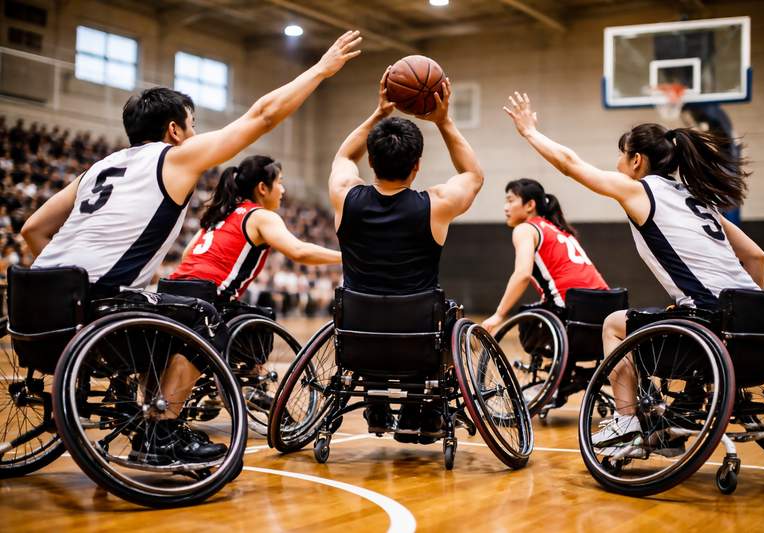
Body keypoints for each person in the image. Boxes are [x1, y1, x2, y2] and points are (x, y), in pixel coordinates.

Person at [21, 31, 362, 466]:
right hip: (95, 307)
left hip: (37, 304)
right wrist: (320, 69)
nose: (196, 134)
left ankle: (140, 402)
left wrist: (60, 286)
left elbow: (33, 229)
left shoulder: (97, 169)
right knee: (204, 313)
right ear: (174, 130)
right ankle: (162, 432)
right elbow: (261, 116)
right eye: (194, 125)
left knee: (157, 307)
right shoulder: (171, 158)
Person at [503, 92, 764, 455]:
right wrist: (744, 321)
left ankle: (625, 427)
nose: (617, 163)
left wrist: (530, 131)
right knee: (662, 316)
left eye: (620, 156)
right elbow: (757, 257)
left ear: (637, 160)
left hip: (711, 322)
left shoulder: (640, 190)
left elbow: (569, 163)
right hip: (763, 323)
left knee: (614, 324)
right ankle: (675, 413)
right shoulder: (698, 199)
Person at [329, 68, 484, 443]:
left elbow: (341, 156)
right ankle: (423, 412)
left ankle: (377, 401)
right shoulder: (437, 204)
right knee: (448, 317)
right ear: (416, 165)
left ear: (370, 160)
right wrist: (443, 121)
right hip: (418, 338)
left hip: (359, 334)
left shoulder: (345, 195)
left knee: (371, 315)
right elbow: (474, 175)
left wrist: (380, 112)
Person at [169, 155, 341, 410]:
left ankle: (231, 381)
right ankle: (251, 384)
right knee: (262, 317)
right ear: (263, 187)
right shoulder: (259, 215)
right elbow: (298, 251)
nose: (283, 189)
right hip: (208, 296)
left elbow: (187, 255)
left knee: (245, 312)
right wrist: (345, 256)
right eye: (280, 182)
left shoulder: (220, 211)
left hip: (174, 289)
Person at [481, 178, 608, 335]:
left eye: (510, 201)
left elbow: (522, 274)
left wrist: (499, 314)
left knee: (528, 320)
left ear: (530, 205)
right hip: (607, 306)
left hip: (570, 309)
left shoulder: (526, 228)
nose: (505, 208)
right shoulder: (560, 229)